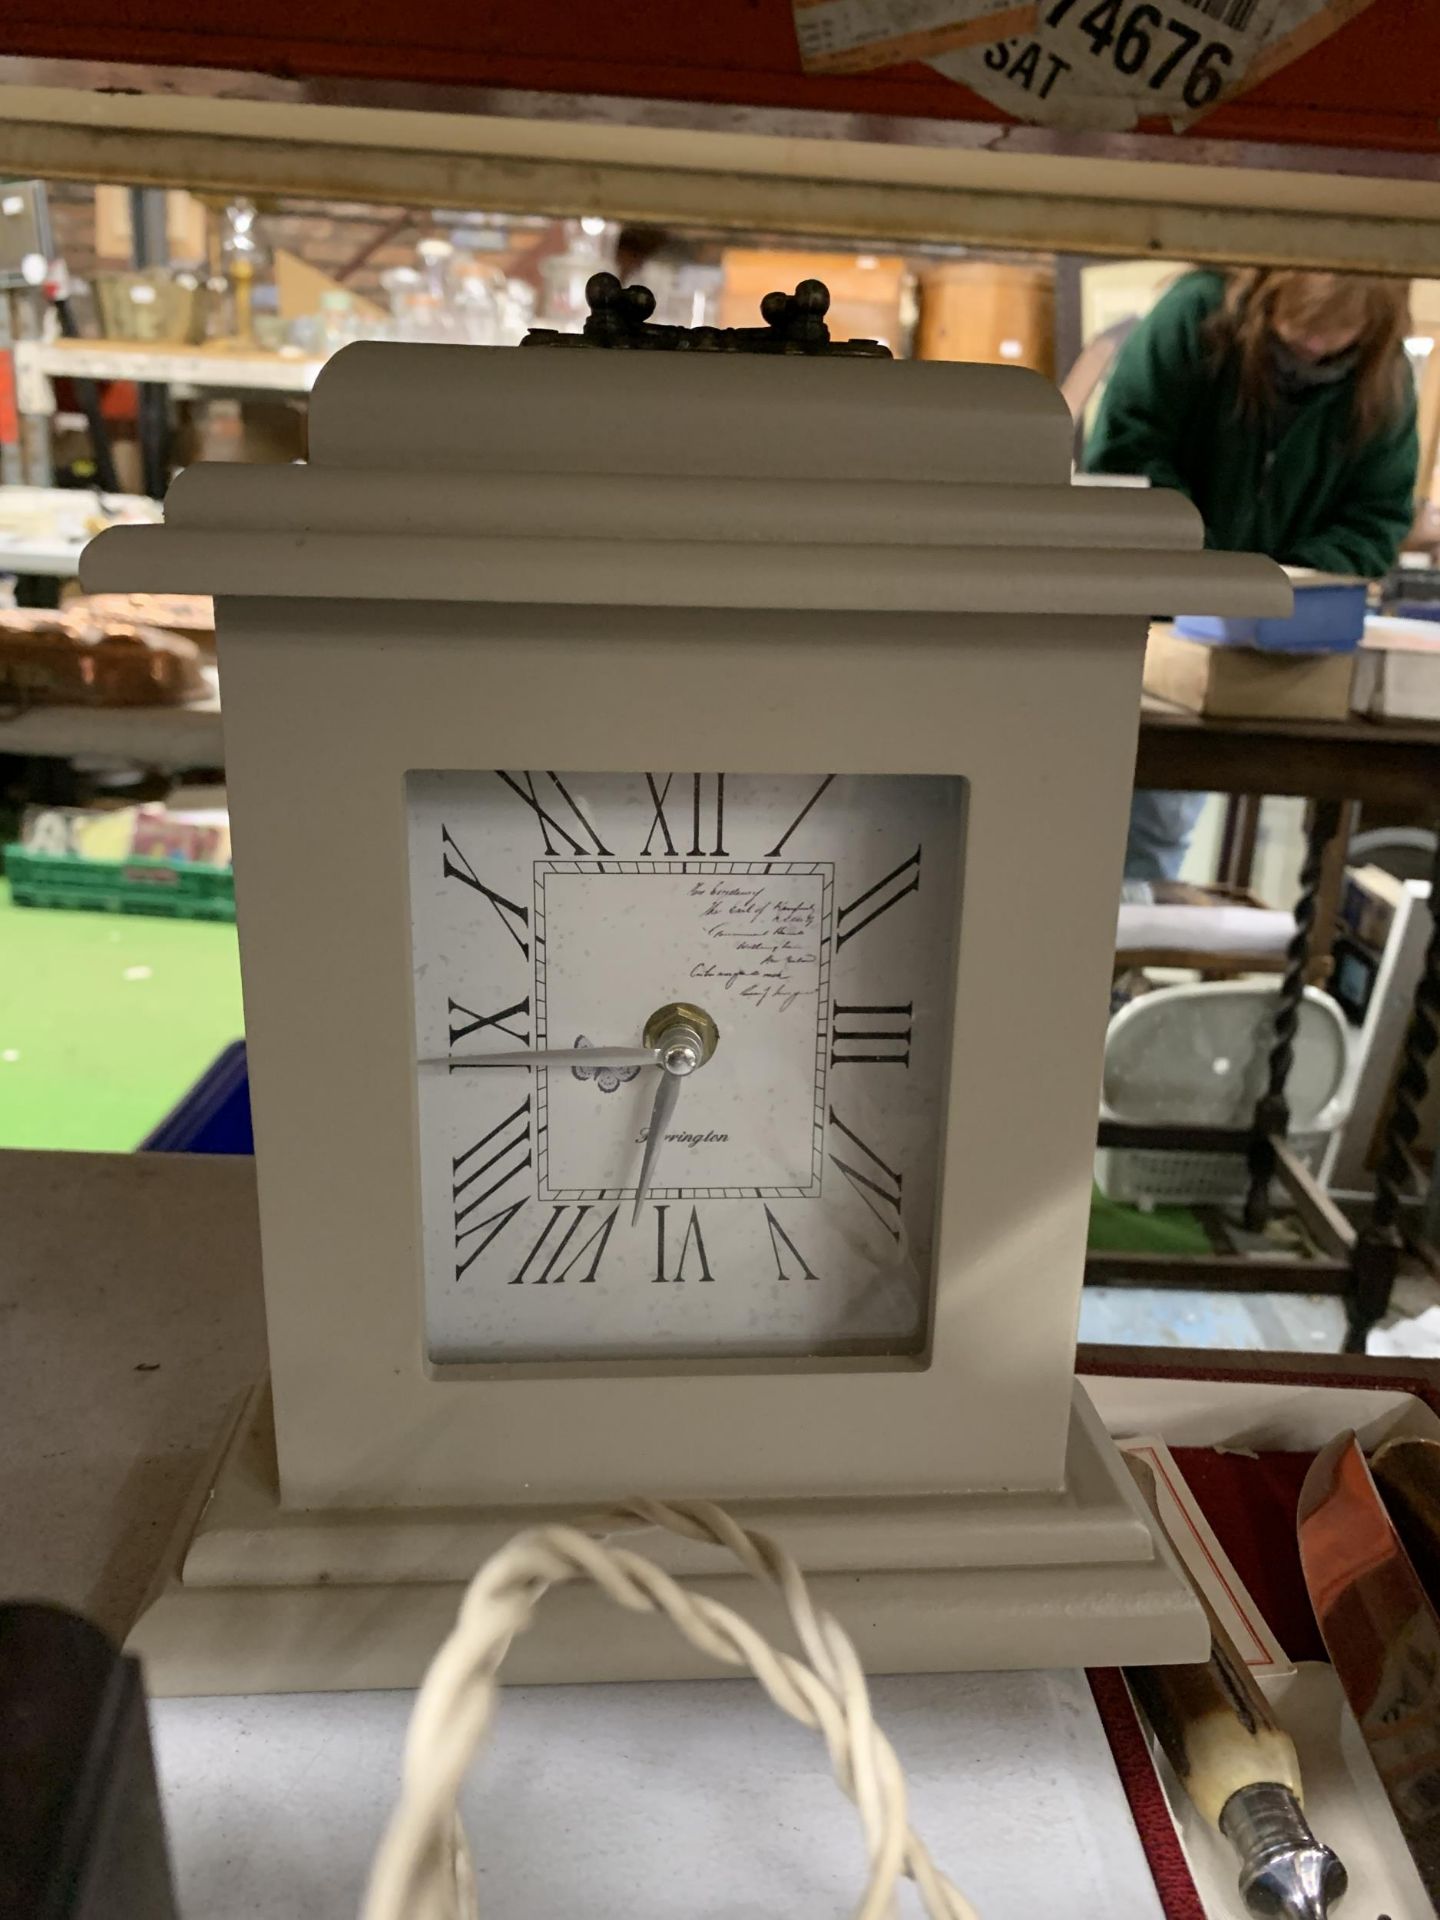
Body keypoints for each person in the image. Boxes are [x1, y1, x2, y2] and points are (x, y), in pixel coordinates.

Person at [1085, 267, 1419, 882]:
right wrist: (1203, 565)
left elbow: (1378, 517)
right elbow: (1125, 452)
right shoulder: (1195, 316)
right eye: (1296, 339)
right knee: (1083, 814)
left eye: (1333, 343)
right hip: (1143, 618)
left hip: (1272, 639)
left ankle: (1124, 962)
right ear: (1267, 298)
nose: (1312, 352)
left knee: (1154, 839)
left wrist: (1287, 584)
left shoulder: (1385, 379)